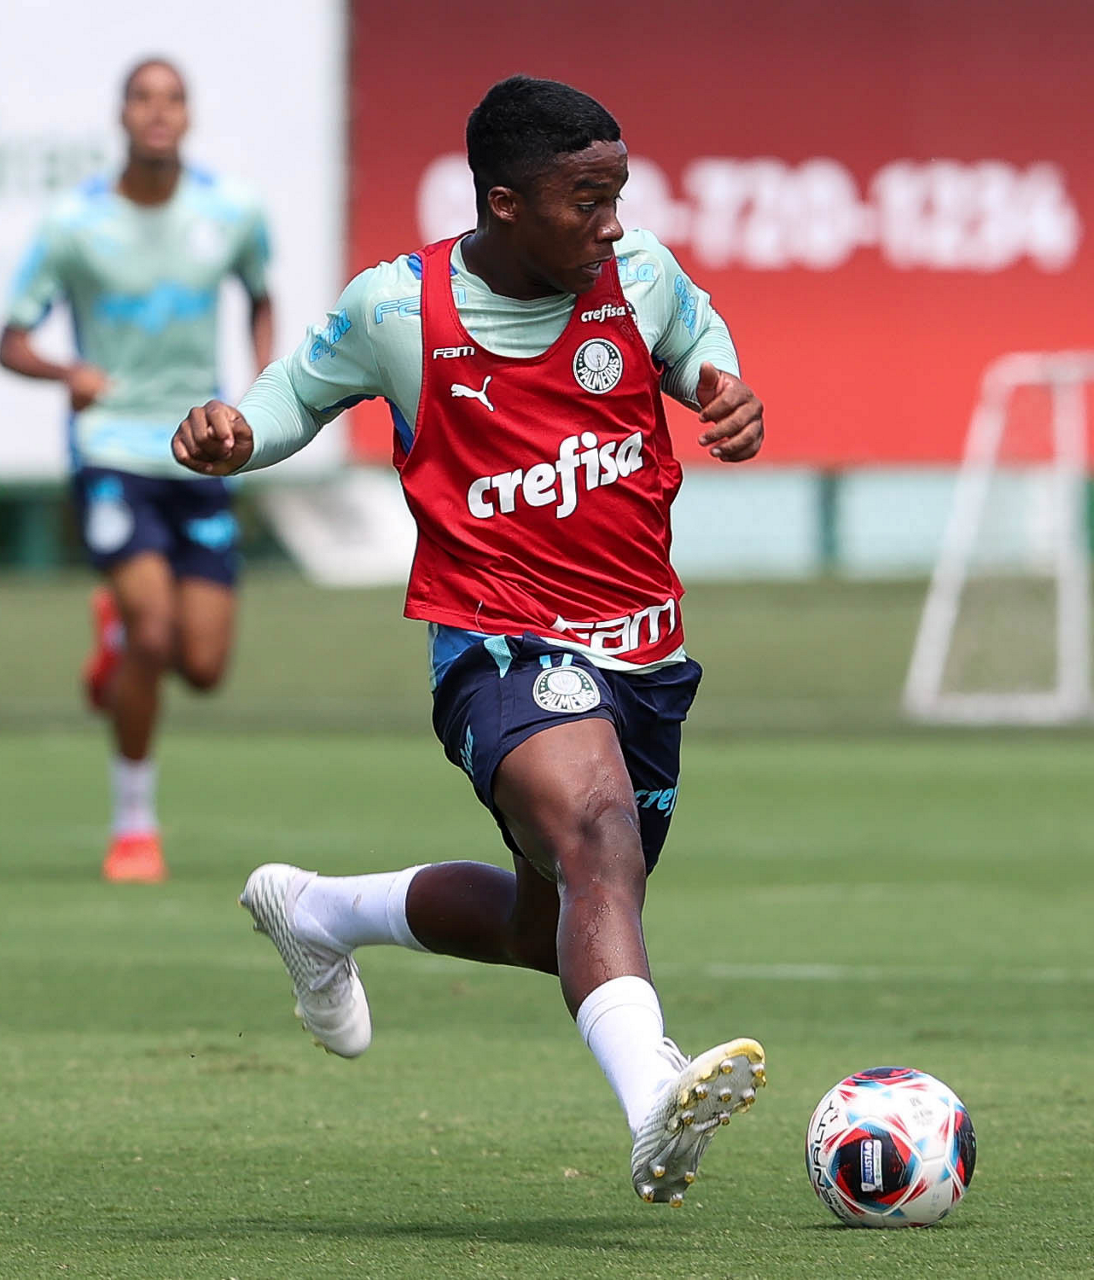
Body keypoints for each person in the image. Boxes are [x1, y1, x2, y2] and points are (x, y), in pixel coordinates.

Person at [172, 75, 766, 1206]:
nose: (613, 225)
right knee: (596, 834)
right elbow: (293, 396)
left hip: (643, 654)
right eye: (586, 201)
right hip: (498, 640)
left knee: (554, 921)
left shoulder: (639, 275)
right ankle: (654, 1096)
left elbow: (696, 338)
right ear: (504, 203)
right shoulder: (400, 310)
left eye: (618, 196)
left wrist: (719, 389)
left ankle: (319, 911)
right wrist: (234, 431)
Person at [0, 58, 274, 883]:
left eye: (172, 99)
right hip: (112, 449)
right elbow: (11, 340)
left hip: (199, 448)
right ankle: (134, 828)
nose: (158, 112)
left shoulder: (232, 212)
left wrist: (262, 390)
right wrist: (66, 373)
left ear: (188, 116)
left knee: (203, 667)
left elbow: (261, 295)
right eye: (143, 99)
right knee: (154, 634)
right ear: (122, 115)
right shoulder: (74, 224)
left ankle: (114, 638)